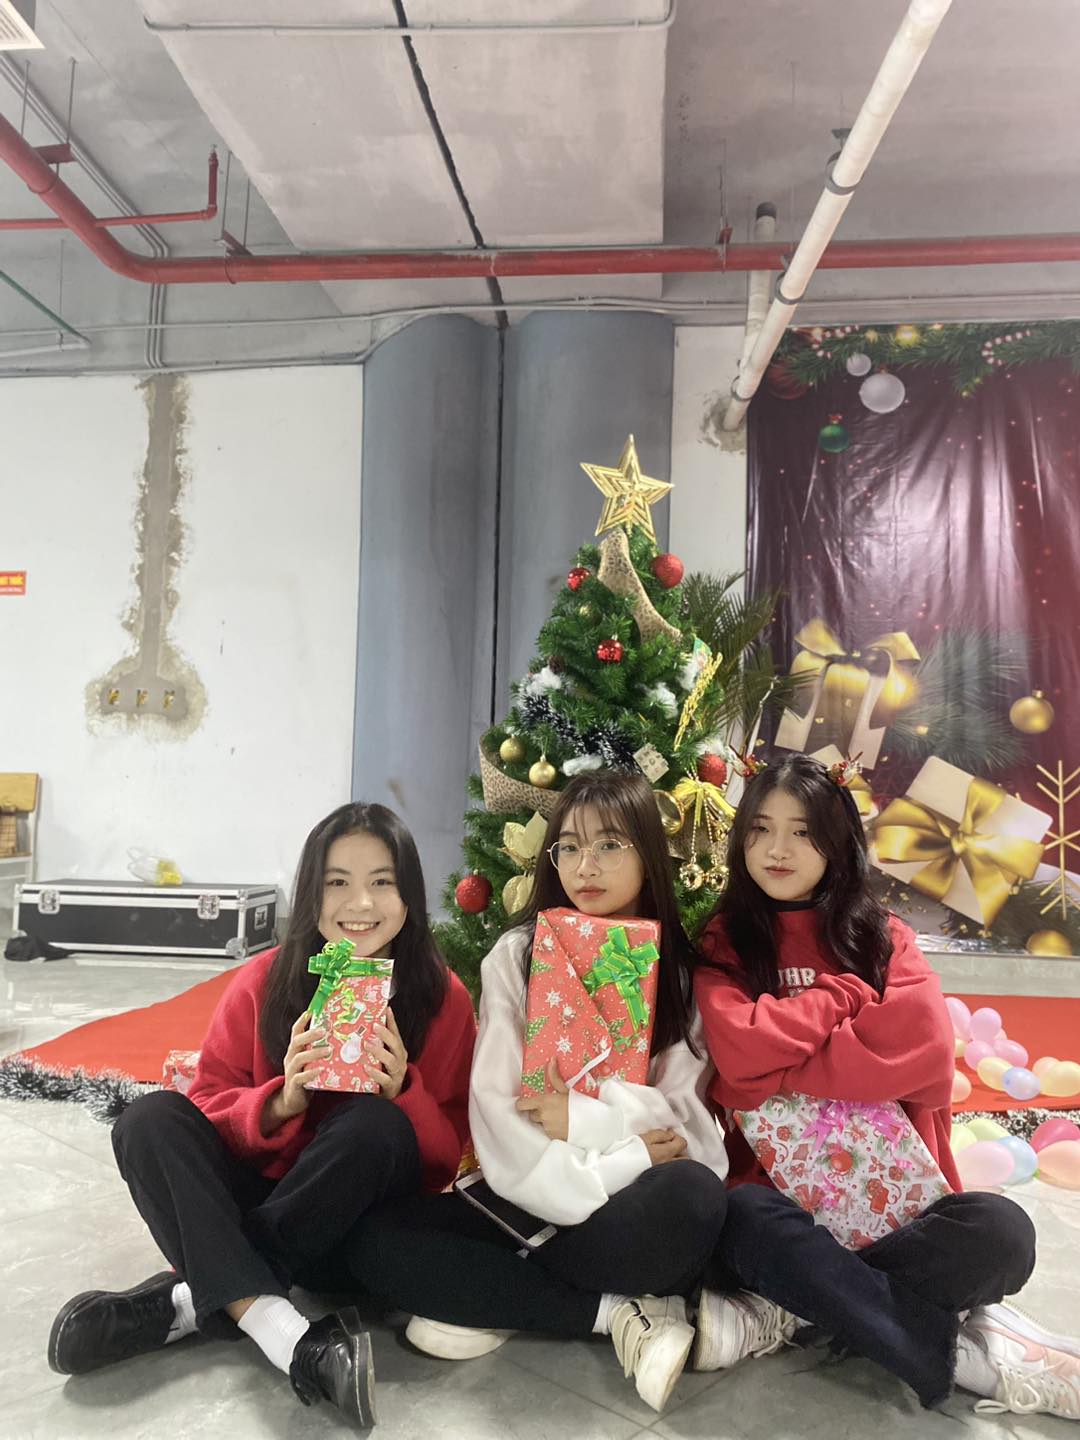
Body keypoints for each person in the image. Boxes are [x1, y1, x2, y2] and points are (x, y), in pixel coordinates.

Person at [47, 802, 476, 1431]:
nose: (360, 903)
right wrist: (281, 1101)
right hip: (260, 1197)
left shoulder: (442, 998)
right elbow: (203, 1108)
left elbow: (445, 1157)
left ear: (409, 894)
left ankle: (194, 1298)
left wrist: (402, 1090)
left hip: (353, 1229)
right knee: (148, 1119)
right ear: (310, 894)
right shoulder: (262, 983)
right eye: (337, 881)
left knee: (373, 1126)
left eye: (382, 881)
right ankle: (288, 1336)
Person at [693, 752, 1079, 1422]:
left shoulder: (881, 936)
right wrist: (842, 999)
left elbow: (921, 1054)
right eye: (760, 829)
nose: (777, 849)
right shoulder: (727, 939)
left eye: (803, 832)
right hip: (779, 1202)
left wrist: (773, 1063)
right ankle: (949, 1350)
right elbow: (736, 1051)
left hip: (896, 1209)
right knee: (744, 1222)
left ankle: (800, 1307)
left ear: (837, 841)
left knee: (1005, 1233)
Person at [348, 770, 729, 1413]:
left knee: (694, 1200)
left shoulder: (681, 976)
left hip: (630, 1206)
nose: (586, 866)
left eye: (610, 845)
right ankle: (612, 1313)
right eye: (569, 847)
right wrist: (600, 1159)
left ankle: (499, 1294)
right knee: (372, 1242)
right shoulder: (516, 955)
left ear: (647, 853)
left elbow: (687, 1134)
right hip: (527, 1193)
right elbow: (499, 1110)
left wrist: (585, 1123)